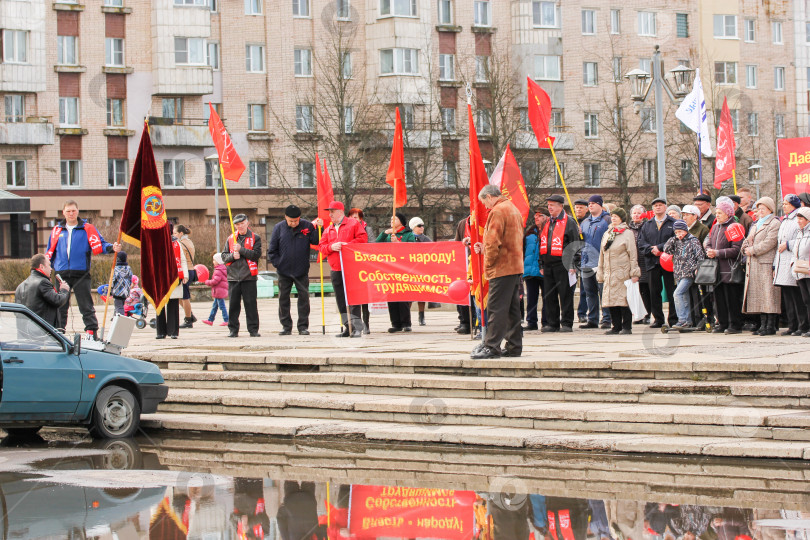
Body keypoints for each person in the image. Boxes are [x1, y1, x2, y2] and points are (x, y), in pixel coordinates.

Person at [47, 200, 121, 337]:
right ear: (63, 212)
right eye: (68, 211)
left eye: (73, 211)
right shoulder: (56, 230)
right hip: (61, 274)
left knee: (85, 305)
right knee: (60, 305)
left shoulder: (88, 228)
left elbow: (101, 244)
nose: (71, 213)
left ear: (78, 211)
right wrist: (46, 269)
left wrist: (112, 248)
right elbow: (49, 251)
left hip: (81, 273)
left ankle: (92, 331)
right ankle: (58, 332)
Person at [470, 184, 524, 358]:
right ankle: (514, 346)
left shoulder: (497, 211)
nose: (485, 207)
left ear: (489, 197)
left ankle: (492, 346)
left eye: (485, 202)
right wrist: (484, 247)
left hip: (501, 267)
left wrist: (488, 264)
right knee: (512, 309)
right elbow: (508, 239)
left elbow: (494, 242)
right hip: (514, 265)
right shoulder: (512, 208)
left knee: (496, 308)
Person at [317, 201, 368, 337]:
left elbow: (363, 239)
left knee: (353, 299)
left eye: (332, 212)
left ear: (340, 212)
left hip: (351, 268)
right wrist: (331, 247)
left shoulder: (353, 224)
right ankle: (348, 327)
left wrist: (348, 245)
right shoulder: (329, 229)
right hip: (336, 269)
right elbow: (321, 247)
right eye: (329, 212)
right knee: (341, 300)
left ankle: (357, 328)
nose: (330, 214)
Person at [268, 205, 320, 336]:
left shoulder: (307, 226)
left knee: (304, 298)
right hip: (283, 270)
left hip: (301, 270)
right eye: (291, 221)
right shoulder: (278, 228)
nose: (293, 223)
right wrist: (278, 263)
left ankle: (303, 326)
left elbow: (317, 240)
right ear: (285, 217)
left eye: (296, 221)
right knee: (283, 299)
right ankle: (286, 326)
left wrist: (320, 228)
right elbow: (272, 250)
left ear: (299, 218)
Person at [540, 195, 581, 333]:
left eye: (553, 205)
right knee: (549, 295)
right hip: (548, 264)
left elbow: (575, 244)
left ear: (561, 206)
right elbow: (542, 242)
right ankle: (553, 323)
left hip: (563, 264)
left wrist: (573, 264)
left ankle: (567, 323)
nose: (549, 207)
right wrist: (541, 264)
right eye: (548, 205)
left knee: (565, 294)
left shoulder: (569, 222)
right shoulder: (547, 222)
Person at [596, 207, 640, 334]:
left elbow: (632, 254)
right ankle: (616, 326)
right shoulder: (608, 233)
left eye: (616, 216)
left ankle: (626, 326)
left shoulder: (627, 233)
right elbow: (602, 254)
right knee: (611, 300)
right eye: (612, 216)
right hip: (609, 272)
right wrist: (601, 271)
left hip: (622, 271)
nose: (613, 218)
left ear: (622, 218)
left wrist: (634, 272)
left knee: (623, 300)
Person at [742, 197, 782, 336]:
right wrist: (745, 247)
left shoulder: (774, 223)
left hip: (766, 262)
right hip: (754, 263)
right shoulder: (756, 224)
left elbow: (770, 242)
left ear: (770, 209)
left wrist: (752, 250)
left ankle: (770, 325)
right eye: (758, 209)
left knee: (769, 295)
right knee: (759, 296)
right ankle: (762, 324)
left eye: (762, 209)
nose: (760, 212)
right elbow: (747, 239)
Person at [704, 198, 745, 334]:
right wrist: (709, 250)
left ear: (728, 213)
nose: (717, 215)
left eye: (720, 213)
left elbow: (736, 249)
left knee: (731, 298)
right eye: (716, 213)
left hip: (729, 268)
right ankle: (722, 323)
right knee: (719, 298)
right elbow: (709, 242)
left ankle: (735, 324)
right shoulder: (715, 227)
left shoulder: (734, 227)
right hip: (717, 269)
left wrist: (718, 253)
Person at [637, 197, 677, 328]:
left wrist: (660, 248)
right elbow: (641, 243)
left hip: (669, 262)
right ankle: (658, 319)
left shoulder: (673, 223)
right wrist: (651, 250)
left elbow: (675, 240)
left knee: (672, 291)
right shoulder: (647, 225)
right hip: (652, 262)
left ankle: (673, 319)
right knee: (654, 291)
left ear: (665, 207)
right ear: (652, 209)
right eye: (655, 206)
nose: (658, 207)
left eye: (660, 205)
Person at [221, 214, 262, 338]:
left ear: (247, 223)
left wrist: (241, 250)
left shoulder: (256, 237)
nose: (240, 226)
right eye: (237, 225)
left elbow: (256, 255)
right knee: (233, 305)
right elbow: (223, 257)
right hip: (233, 277)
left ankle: (253, 330)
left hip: (249, 276)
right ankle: (233, 330)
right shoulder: (230, 239)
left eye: (242, 223)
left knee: (251, 305)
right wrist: (232, 256)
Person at [377, 213, 416, 332]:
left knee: (403, 296)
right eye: (390, 219)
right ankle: (395, 323)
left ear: (402, 221)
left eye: (395, 218)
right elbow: (376, 244)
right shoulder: (389, 234)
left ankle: (406, 322)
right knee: (391, 296)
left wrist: (398, 244)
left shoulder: (408, 235)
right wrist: (384, 234)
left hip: (403, 269)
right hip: (390, 268)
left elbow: (413, 250)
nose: (392, 220)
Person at [773, 194, 806, 336]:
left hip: (792, 260)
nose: (783, 206)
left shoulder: (795, 221)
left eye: (786, 204)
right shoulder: (785, 220)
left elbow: (800, 239)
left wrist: (787, 244)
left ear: (793, 205)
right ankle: (792, 325)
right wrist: (775, 265)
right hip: (782, 260)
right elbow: (778, 243)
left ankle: (801, 324)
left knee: (797, 296)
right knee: (788, 296)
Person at [663, 220, 705, 328]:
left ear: (686, 230)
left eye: (680, 231)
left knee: (677, 294)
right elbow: (666, 250)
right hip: (678, 273)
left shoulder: (693, 241)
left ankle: (682, 319)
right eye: (676, 232)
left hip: (689, 273)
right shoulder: (675, 241)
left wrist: (697, 268)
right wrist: (673, 239)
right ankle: (687, 320)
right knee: (684, 297)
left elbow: (700, 256)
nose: (679, 234)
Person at [579, 195, 611, 329]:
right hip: (586, 262)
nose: (590, 205)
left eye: (593, 203)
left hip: (600, 262)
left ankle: (607, 318)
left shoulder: (606, 220)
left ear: (600, 205)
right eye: (589, 203)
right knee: (589, 292)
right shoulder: (585, 222)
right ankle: (592, 318)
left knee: (603, 291)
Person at [15, 253, 70, 328]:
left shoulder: (20, 286)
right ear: (41, 266)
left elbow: (17, 313)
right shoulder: (43, 282)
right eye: (49, 265)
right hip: (42, 334)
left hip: (25, 333)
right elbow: (57, 300)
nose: (51, 268)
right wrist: (64, 290)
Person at [682, 204, 710, 327]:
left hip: (697, 266)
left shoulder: (702, 229)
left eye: (687, 215)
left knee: (698, 294)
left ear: (695, 216)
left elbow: (703, 249)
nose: (684, 217)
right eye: (683, 215)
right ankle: (691, 319)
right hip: (685, 268)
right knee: (688, 295)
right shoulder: (683, 229)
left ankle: (701, 319)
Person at [156, 234, 187, 339]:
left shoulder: (176, 243)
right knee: (160, 306)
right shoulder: (156, 243)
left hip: (175, 276)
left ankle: (173, 331)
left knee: (173, 305)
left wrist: (185, 275)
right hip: (160, 277)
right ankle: (160, 332)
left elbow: (182, 260)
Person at [350, 208, 374, 333]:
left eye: (356, 217)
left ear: (360, 219)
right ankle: (354, 324)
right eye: (352, 217)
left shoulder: (367, 229)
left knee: (364, 298)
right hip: (351, 266)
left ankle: (366, 324)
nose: (354, 219)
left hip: (364, 266)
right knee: (353, 298)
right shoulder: (346, 230)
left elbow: (372, 245)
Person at [523, 210, 547, 331]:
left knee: (547, 297)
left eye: (540, 216)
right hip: (530, 270)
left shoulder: (550, 230)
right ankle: (531, 322)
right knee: (532, 298)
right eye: (535, 216)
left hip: (545, 270)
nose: (537, 218)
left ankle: (546, 322)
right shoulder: (530, 233)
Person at [628, 205, 651, 324]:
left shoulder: (647, 226)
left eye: (639, 213)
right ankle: (638, 314)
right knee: (635, 290)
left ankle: (647, 314)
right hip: (632, 261)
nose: (636, 215)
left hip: (644, 261)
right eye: (634, 213)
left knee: (646, 289)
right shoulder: (628, 228)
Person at [791, 207, 810, 337]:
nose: (798, 221)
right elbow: (796, 250)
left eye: (801, 218)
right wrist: (793, 263)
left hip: (808, 270)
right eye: (798, 218)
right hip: (800, 270)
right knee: (806, 300)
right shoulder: (799, 232)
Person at [410, 216, 432, 326]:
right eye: (419, 226)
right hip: (409, 270)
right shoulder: (408, 239)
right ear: (413, 227)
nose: (421, 227)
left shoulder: (426, 239)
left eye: (423, 225)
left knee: (421, 295)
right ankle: (407, 317)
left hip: (422, 270)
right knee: (408, 295)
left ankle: (421, 316)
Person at [174, 225, 197, 328]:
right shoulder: (189, 242)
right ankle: (190, 315)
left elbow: (180, 258)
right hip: (191, 269)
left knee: (184, 296)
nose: (173, 235)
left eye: (175, 233)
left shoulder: (181, 244)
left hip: (185, 271)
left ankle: (188, 320)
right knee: (179, 295)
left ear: (181, 233)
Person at [202, 253, 229, 327]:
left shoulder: (218, 270)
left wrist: (207, 282)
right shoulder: (222, 269)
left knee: (221, 306)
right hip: (219, 291)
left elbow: (215, 281)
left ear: (218, 261)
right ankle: (210, 320)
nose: (213, 261)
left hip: (219, 291)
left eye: (214, 260)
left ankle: (227, 319)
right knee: (215, 306)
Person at [573, 199, 589, 323]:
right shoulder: (571, 221)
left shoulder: (588, 221)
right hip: (573, 257)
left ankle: (582, 312)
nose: (578, 210)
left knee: (585, 288)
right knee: (571, 287)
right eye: (577, 207)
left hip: (586, 256)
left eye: (581, 208)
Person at [111, 251, 132, 316]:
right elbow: (130, 279)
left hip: (117, 291)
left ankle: (120, 319)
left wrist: (110, 288)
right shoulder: (128, 269)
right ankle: (115, 318)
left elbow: (113, 280)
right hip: (125, 291)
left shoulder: (116, 269)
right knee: (119, 305)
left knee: (119, 307)